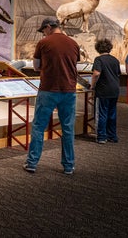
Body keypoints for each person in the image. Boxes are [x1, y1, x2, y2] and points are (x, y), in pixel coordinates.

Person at [23, 17, 80, 175]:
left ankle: (32, 163)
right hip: (69, 91)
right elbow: (73, 64)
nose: (43, 34)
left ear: (48, 27)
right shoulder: (73, 43)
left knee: (38, 127)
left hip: (48, 90)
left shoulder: (44, 43)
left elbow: (36, 66)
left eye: (44, 30)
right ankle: (68, 165)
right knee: (68, 129)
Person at [91, 38, 122, 144]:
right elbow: (118, 74)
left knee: (101, 113)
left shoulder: (99, 59)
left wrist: (92, 85)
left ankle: (101, 136)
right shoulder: (115, 60)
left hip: (103, 90)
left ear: (98, 48)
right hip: (115, 90)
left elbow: (96, 73)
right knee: (112, 113)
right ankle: (112, 136)